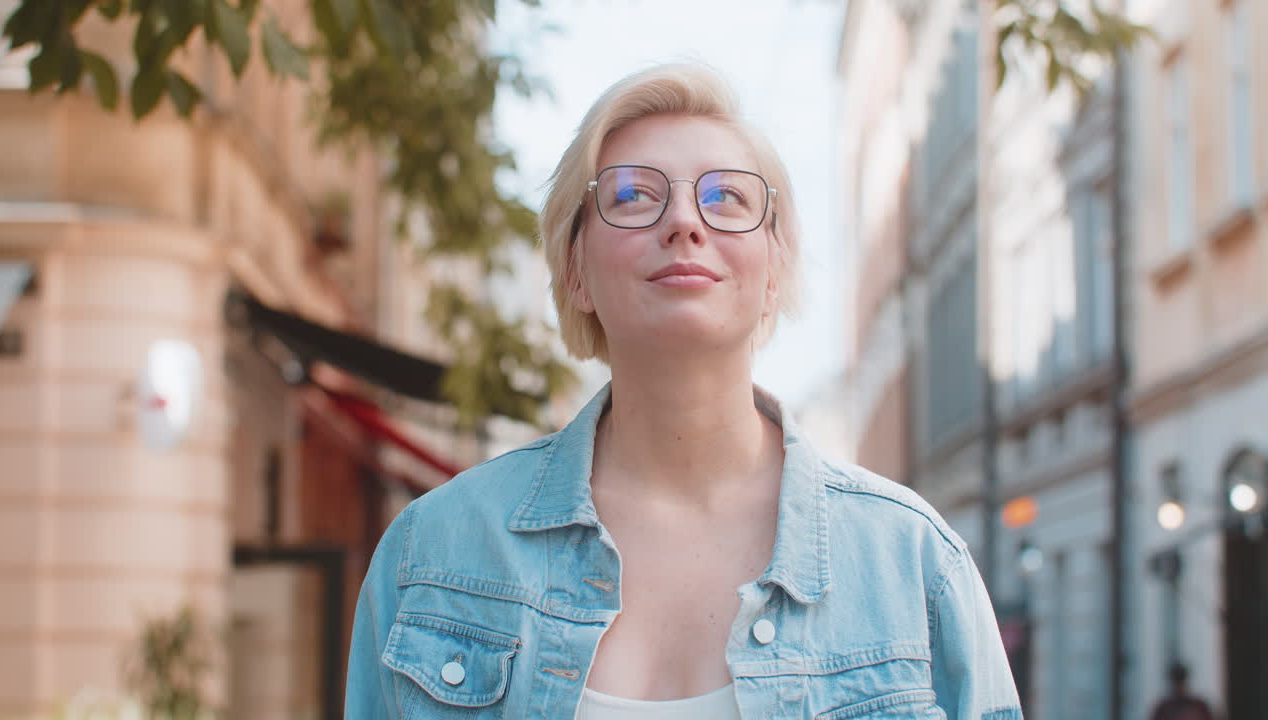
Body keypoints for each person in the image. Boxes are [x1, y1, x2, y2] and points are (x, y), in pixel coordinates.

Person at [344, 63, 1022, 719]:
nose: (685, 223)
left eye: (727, 197)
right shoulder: (432, 555)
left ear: (773, 272)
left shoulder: (913, 563)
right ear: (576, 270)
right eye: (634, 195)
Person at [1149, 663, 1214, 720]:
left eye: (1181, 681)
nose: (1180, 686)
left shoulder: (1200, 707)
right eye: (1177, 681)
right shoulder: (1163, 709)